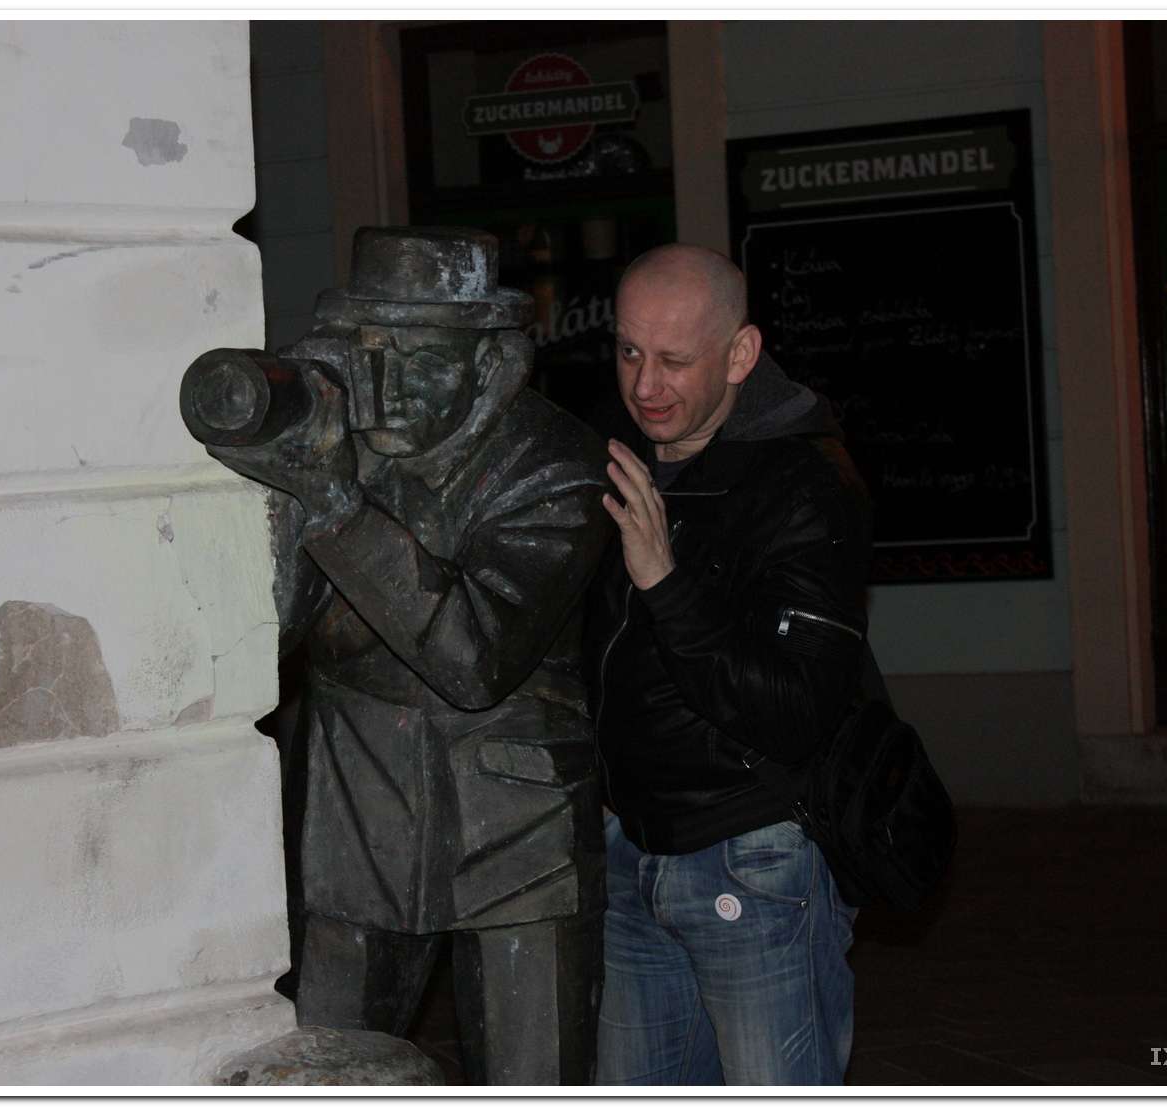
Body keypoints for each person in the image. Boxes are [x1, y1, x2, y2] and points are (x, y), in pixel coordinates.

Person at [182, 227, 610, 1084]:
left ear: (493, 364)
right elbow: (254, 644)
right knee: (326, 1076)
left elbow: (472, 661)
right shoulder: (343, 442)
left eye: (425, 361)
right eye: (372, 358)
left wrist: (335, 501)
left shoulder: (555, 464)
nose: (392, 389)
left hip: (513, 830)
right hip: (355, 813)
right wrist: (283, 483)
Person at [585, 243, 873, 1085]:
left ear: (740, 354)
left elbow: (793, 711)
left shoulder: (801, 484)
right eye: (628, 350)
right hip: (631, 850)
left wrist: (664, 582)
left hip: (749, 862)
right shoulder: (621, 455)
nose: (645, 383)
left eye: (674, 360)